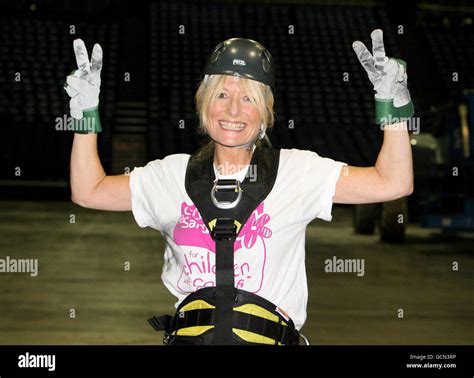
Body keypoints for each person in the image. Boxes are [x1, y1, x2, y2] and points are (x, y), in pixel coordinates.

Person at [65, 30, 414, 345]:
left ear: (265, 113)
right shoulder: (169, 176)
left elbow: (393, 182)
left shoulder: (298, 171)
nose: (233, 109)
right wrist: (84, 114)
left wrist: (394, 106)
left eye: (248, 98)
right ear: (203, 105)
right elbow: (89, 190)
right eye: (221, 95)